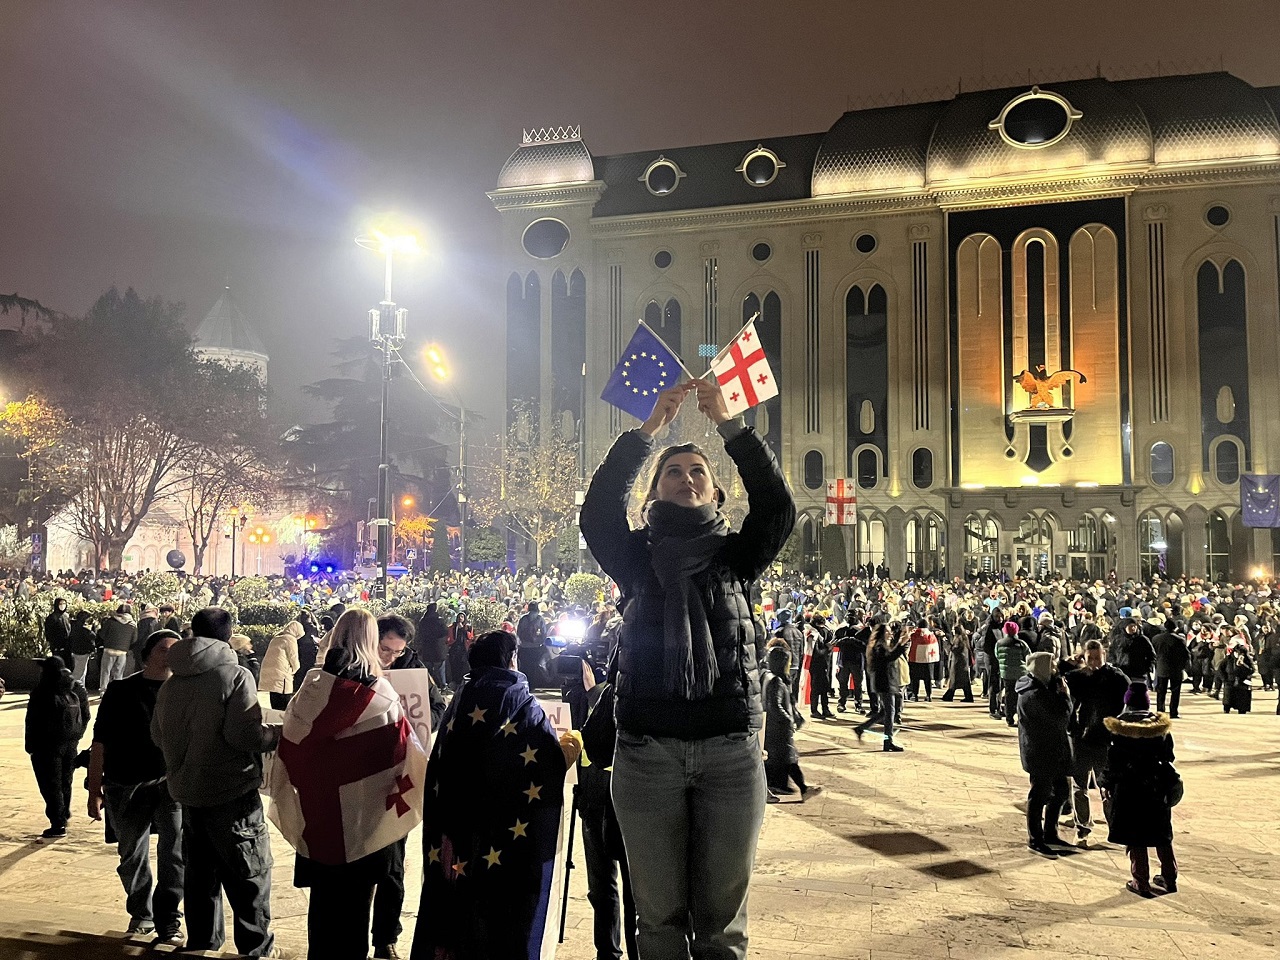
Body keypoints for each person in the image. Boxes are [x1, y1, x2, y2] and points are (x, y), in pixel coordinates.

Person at [579, 378, 795, 960]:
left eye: (697, 472)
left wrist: (731, 427)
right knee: (659, 920)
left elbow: (777, 508)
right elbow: (597, 514)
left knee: (723, 925)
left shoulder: (736, 558)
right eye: (672, 472)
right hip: (648, 753)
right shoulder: (634, 560)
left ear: (717, 494)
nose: (686, 478)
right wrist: (648, 431)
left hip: (730, 753)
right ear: (653, 493)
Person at [268, 609, 428, 960]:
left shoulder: (310, 687)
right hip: (363, 821)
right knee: (356, 907)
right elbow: (400, 753)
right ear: (371, 641)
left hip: (319, 816)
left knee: (323, 906)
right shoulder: (380, 693)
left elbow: (292, 746)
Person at [411, 631, 580, 959]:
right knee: (501, 915)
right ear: (510, 659)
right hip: (506, 837)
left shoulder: (461, 699)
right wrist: (568, 748)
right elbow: (541, 763)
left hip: (456, 833)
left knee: (459, 907)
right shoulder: (520, 701)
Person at [151, 607, 282, 958]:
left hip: (188, 793)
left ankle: (202, 945)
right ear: (228, 634)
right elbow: (244, 735)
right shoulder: (234, 675)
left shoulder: (172, 682)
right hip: (231, 792)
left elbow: (157, 735)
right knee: (249, 874)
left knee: (200, 876)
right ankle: (255, 949)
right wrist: (277, 735)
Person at [86, 629, 185, 944]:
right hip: (125, 783)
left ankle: (169, 917)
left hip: (171, 784)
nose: (170, 655)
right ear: (147, 653)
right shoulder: (121, 690)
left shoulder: (185, 690)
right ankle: (142, 913)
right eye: (164, 649)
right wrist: (94, 789)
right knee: (131, 855)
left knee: (175, 852)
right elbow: (100, 740)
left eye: (176, 649)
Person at [371, 612, 445, 958]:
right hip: (362, 780)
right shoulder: (355, 667)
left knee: (392, 865)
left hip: (398, 778)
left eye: (397, 652)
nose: (390, 658)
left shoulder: (416, 673)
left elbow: (436, 710)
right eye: (385, 650)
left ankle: (385, 937)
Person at [1101, 683, 1179, 896]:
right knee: (1162, 833)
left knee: (1135, 835)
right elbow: (1169, 756)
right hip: (1155, 787)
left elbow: (1113, 762)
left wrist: (1104, 783)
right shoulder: (1160, 729)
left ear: (1127, 702)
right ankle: (1169, 877)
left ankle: (1140, 880)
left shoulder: (1120, 730)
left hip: (1129, 789)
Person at [1062, 639, 1129, 844]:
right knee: (1079, 785)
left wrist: (1116, 727)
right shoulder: (1078, 677)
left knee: (1107, 786)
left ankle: (1115, 826)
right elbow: (1057, 677)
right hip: (1080, 737)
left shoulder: (1115, 678)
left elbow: (1127, 699)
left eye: (1097, 658)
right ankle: (1083, 828)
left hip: (1104, 739)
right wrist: (1068, 662)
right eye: (1089, 658)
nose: (1093, 662)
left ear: (1104, 656)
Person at [25, 654, 90, 839]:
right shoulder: (77, 688)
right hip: (70, 744)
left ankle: (57, 822)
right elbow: (85, 715)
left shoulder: (43, 689)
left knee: (50, 784)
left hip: (46, 746)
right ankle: (63, 814)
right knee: (65, 782)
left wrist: (30, 745)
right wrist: (76, 736)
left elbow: (33, 721)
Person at [1016, 651, 1073, 857]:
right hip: (1040, 752)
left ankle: (1050, 833)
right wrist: (1065, 697)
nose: (1056, 669)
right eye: (1052, 666)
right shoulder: (1033, 695)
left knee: (1060, 792)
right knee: (1039, 795)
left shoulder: (1042, 687)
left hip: (1053, 750)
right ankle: (1035, 839)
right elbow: (1060, 718)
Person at [763, 645, 820, 799]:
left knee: (785, 760)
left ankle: (787, 787)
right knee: (788, 760)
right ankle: (801, 788)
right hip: (779, 730)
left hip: (775, 730)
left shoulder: (772, 677)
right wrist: (788, 721)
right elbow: (775, 705)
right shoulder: (776, 681)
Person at [853, 623, 910, 750]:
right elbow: (889, 658)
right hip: (884, 682)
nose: (890, 634)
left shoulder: (881, 645)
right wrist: (902, 644)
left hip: (886, 681)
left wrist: (901, 643)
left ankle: (861, 728)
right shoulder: (879, 646)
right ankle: (888, 741)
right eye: (887, 632)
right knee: (890, 712)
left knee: (885, 712)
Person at [259, 620, 304, 710]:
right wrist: (294, 670)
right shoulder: (290, 639)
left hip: (271, 676)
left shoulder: (276, 638)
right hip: (282, 678)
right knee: (284, 707)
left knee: (275, 705)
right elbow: (293, 658)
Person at [995, 620, 1031, 726]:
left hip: (1006, 674)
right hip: (1020, 673)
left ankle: (1009, 718)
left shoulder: (999, 643)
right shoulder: (1021, 643)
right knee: (1021, 694)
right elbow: (1028, 656)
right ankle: (1020, 716)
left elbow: (997, 655)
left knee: (1009, 695)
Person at [1152, 622, 1190, 718]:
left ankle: (1160, 711)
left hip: (1161, 667)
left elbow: (1153, 652)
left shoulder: (1156, 638)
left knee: (1161, 691)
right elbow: (1186, 655)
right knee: (1175, 692)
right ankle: (1173, 712)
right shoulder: (1179, 640)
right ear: (1175, 628)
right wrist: (1186, 667)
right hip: (1176, 668)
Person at [98, 603, 137, 694]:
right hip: (122, 651)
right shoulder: (132, 624)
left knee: (105, 671)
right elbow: (134, 639)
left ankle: (103, 691)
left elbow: (102, 634)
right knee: (119, 673)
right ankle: (117, 691)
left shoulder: (110, 621)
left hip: (109, 649)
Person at [416, 601, 450, 688]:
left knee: (428, 668)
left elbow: (420, 634)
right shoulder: (439, 620)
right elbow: (445, 632)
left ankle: (429, 685)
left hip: (426, 647)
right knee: (440, 668)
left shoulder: (423, 621)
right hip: (438, 647)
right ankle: (442, 685)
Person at [68, 610, 98, 686]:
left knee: (81, 671)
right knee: (79, 672)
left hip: (75, 650)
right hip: (83, 652)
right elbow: (92, 637)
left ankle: (81, 687)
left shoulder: (73, 626)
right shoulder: (84, 629)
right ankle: (74, 687)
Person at [44, 597, 73, 665]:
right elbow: (49, 632)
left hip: (67, 646)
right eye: (60, 604)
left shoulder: (66, 616)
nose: (62, 605)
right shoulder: (52, 617)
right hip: (57, 646)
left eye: (64, 603)